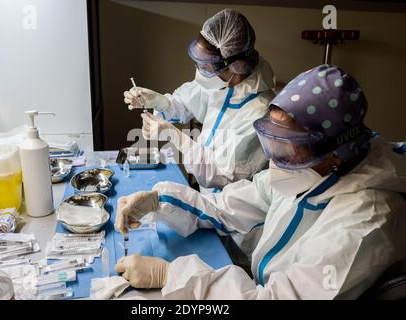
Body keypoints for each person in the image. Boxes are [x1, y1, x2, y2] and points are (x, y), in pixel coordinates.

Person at [115, 65, 406, 299]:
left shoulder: (365, 222)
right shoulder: (310, 174)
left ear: (335, 155)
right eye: (271, 143)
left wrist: (171, 277)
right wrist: (158, 200)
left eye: (287, 150)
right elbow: (226, 207)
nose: (274, 161)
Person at [123, 9, 276, 191]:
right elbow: (182, 104)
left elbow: (225, 176)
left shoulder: (260, 112)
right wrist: (158, 101)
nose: (200, 71)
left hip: (232, 209)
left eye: (206, 66)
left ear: (234, 65)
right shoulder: (219, 85)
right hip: (207, 198)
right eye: (198, 63)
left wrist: (176, 136)